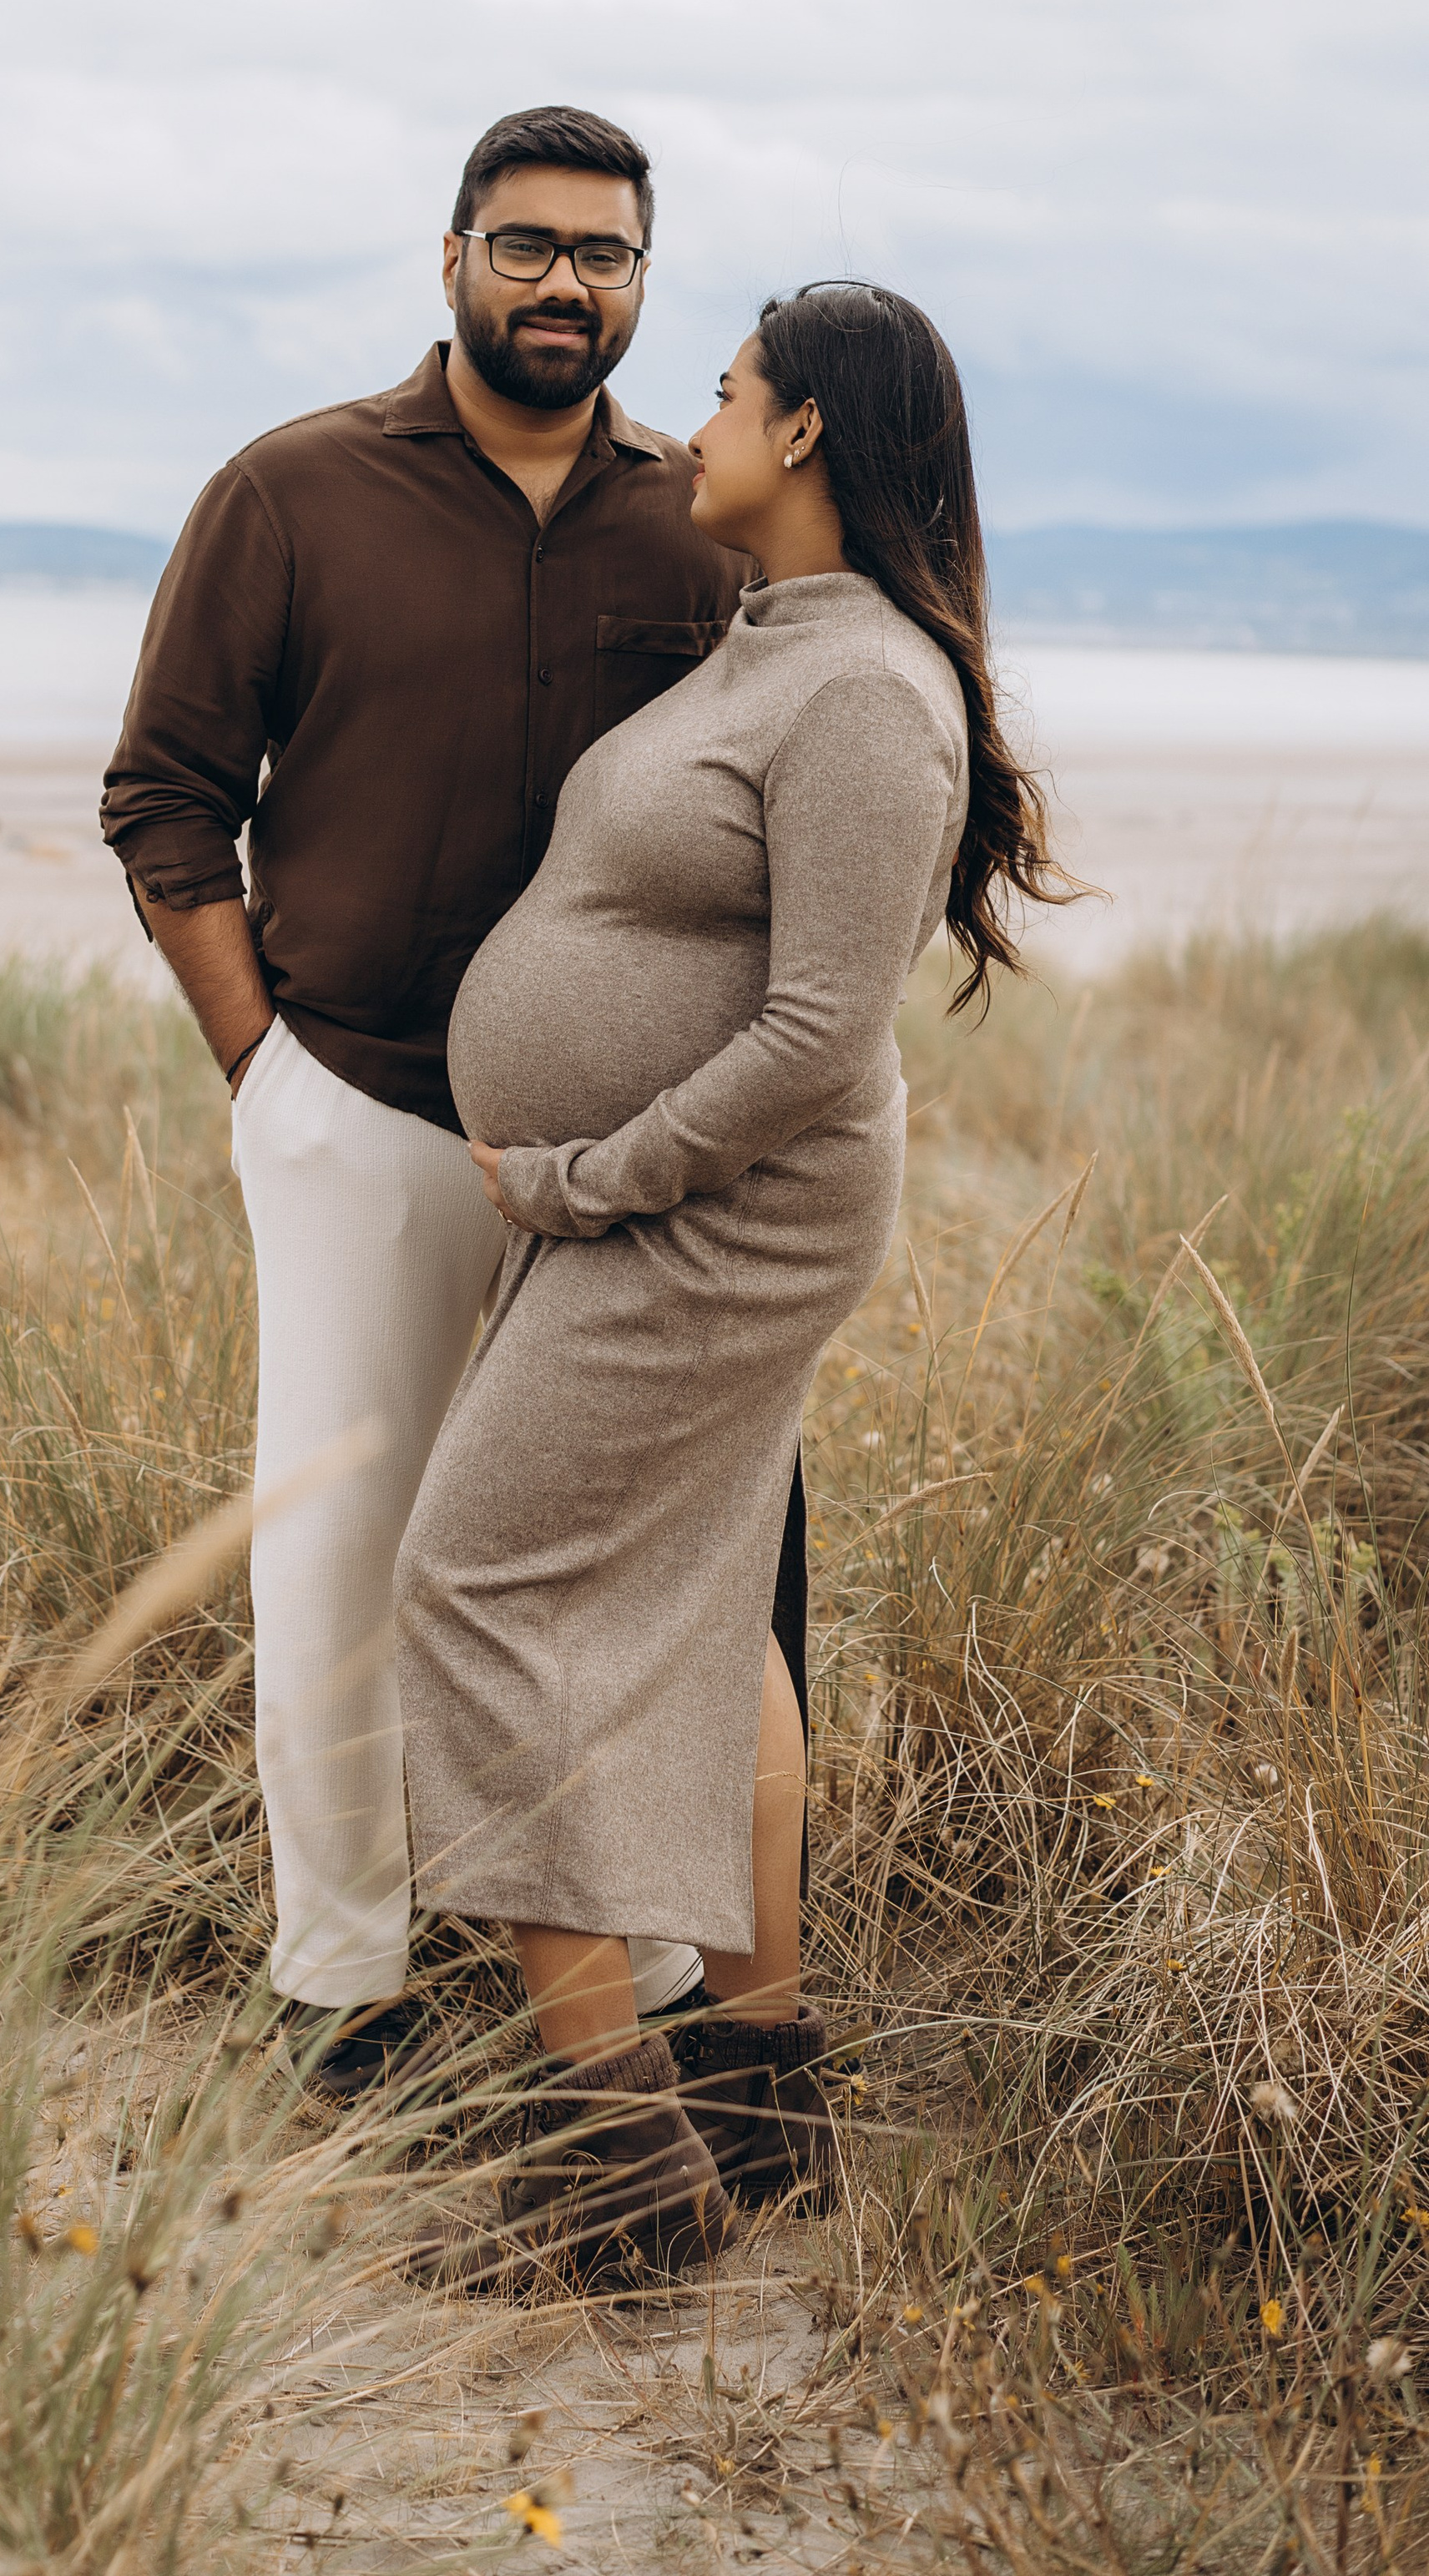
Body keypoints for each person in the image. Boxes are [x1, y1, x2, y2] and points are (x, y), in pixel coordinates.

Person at [101, 106, 812, 2094]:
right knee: (340, 1545)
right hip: (360, 1108)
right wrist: (266, 1071)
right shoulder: (290, 491)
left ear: (641, 284)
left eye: (604, 256)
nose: (565, 285)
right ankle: (340, 1989)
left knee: (621, 1569)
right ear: (448, 260)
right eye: (527, 246)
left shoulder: (704, 518)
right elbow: (164, 794)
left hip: (627, 1159)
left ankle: (643, 1978)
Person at [394, 280, 1076, 2279]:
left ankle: (614, 2178)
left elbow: (812, 1032)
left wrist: (587, 1181)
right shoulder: (769, 643)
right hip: (673, 1203)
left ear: (801, 440)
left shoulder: (861, 691)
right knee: (697, 1616)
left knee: (471, 1583)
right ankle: (763, 2101)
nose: (682, 423)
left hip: (722, 1213)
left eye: (718, 394)